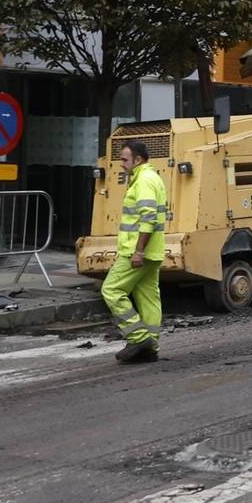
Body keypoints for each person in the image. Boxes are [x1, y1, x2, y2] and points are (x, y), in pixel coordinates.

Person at [102, 140, 167, 364]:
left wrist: (138, 251)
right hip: (153, 252)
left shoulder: (144, 181)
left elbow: (147, 218)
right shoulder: (151, 178)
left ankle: (139, 338)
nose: (121, 164)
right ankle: (151, 347)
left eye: (124, 160)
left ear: (137, 160)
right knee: (149, 298)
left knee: (111, 290)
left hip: (137, 253)